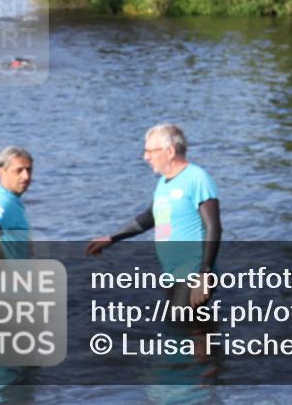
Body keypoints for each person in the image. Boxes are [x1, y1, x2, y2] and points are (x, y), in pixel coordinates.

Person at [85, 124, 222, 308]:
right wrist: (112, 238)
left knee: (182, 326)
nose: (146, 156)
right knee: (187, 329)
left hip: (194, 271)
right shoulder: (163, 184)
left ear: (170, 151)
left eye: (150, 151)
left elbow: (214, 227)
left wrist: (204, 274)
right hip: (172, 272)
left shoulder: (197, 178)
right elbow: (150, 217)